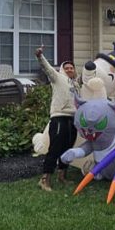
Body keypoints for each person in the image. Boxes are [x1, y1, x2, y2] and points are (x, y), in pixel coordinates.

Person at [36, 46, 79, 191]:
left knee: (68, 148)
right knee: (55, 148)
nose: (69, 70)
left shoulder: (76, 85)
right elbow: (47, 68)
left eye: (71, 68)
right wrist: (40, 56)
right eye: (66, 68)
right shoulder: (57, 78)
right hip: (59, 117)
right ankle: (44, 179)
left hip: (72, 119)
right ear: (62, 70)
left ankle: (62, 176)